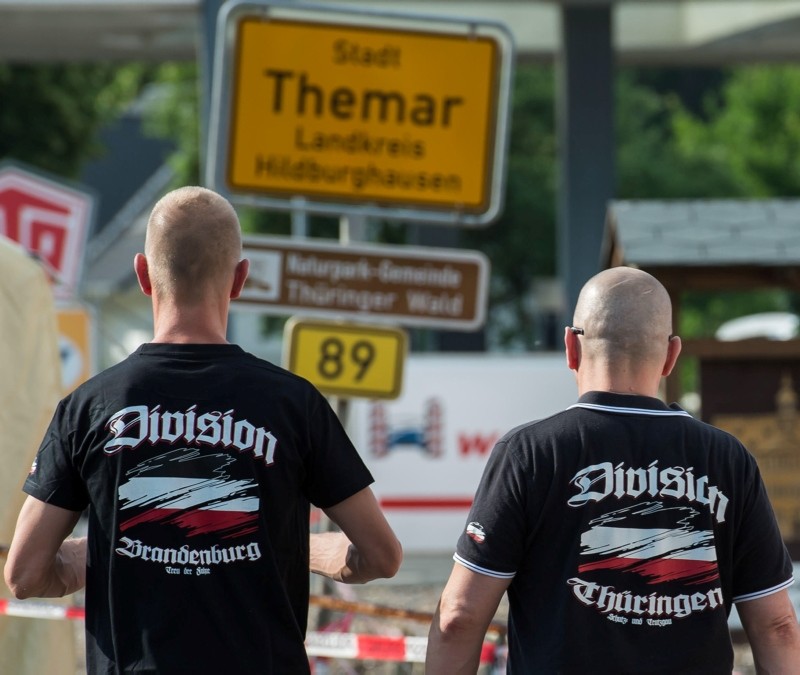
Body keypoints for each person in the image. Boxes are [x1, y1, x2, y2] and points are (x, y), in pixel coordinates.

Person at [4, 186, 402, 674]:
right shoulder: (293, 404)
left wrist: (115, 545)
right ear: (239, 279)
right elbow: (381, 556)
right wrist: (298, 549)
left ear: (144, 275)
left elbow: (24, 573)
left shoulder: (88, 408)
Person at [426, 266, 800, 674]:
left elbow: (458, 617)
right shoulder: (729, 459)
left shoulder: (530, 453)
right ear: (671, 356)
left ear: (571, 347)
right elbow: (778, 626)